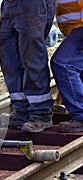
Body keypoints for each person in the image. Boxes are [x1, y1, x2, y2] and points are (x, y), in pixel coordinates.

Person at [0, 0, 55, 133]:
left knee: (31, 57)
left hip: (32, 4)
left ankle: (41, 113)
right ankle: (21, 111)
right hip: (10, 4)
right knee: (9, 57)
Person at [50, 1, 83, 132]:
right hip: (76, 26)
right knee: (76, 65)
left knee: (63, 64)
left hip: (80, 26)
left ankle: (80, 116)